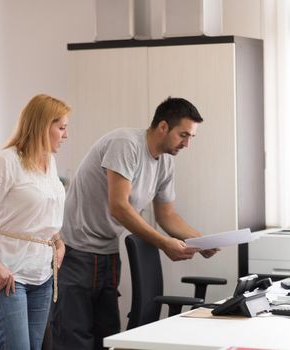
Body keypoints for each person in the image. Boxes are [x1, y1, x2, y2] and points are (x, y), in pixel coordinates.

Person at [51, 97, 219, 350]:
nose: (187, 144)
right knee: (75, 338)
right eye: (183, 135)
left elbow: (167, 215)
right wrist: (164, 244)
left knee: (107, 337)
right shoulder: (126, 144)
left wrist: (201, 240)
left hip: (107, 253)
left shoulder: (165, 162)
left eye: (191, 137)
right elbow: (118, 206)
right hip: (76, 252)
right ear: (163, 126)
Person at [0, 94, 70, 350]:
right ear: (43, 126)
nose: (65, 136)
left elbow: (40, 218)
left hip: (42, 276)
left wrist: (58, 242)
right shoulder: (5, 161)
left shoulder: (49, 163)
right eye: (61, 128)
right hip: (7, 276)